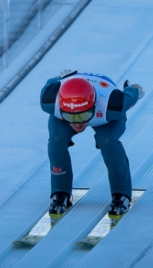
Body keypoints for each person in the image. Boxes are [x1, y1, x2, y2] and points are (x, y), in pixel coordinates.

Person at [39, 70, 143, 215]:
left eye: (84, 115)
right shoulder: (49, 99)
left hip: (105, 110)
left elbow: (129, 97)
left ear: (95, 105)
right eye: (71, 117)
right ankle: (60, 193)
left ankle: (121, 194)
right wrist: (59, 78)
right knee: (56, 140)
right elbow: (51, 83)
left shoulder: (113, 104)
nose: (78, 124)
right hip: (84, 105)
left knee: (107, 141)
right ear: (60, 107)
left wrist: (132, 90)